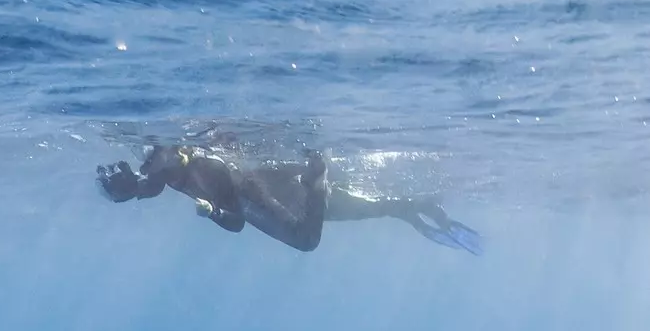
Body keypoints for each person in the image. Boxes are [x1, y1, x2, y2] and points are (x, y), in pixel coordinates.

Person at [96, 143, 483, 254]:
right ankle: (421, 211)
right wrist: (214, 211)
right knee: (368, 208)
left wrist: (215, 211)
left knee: (306, 240)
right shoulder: (158, 173)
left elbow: (235, 221)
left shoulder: (164, 166)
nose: (139, 194)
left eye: (127, 193)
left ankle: (319, 179)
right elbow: (232, 221)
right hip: (264, 189)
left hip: (252, 190)